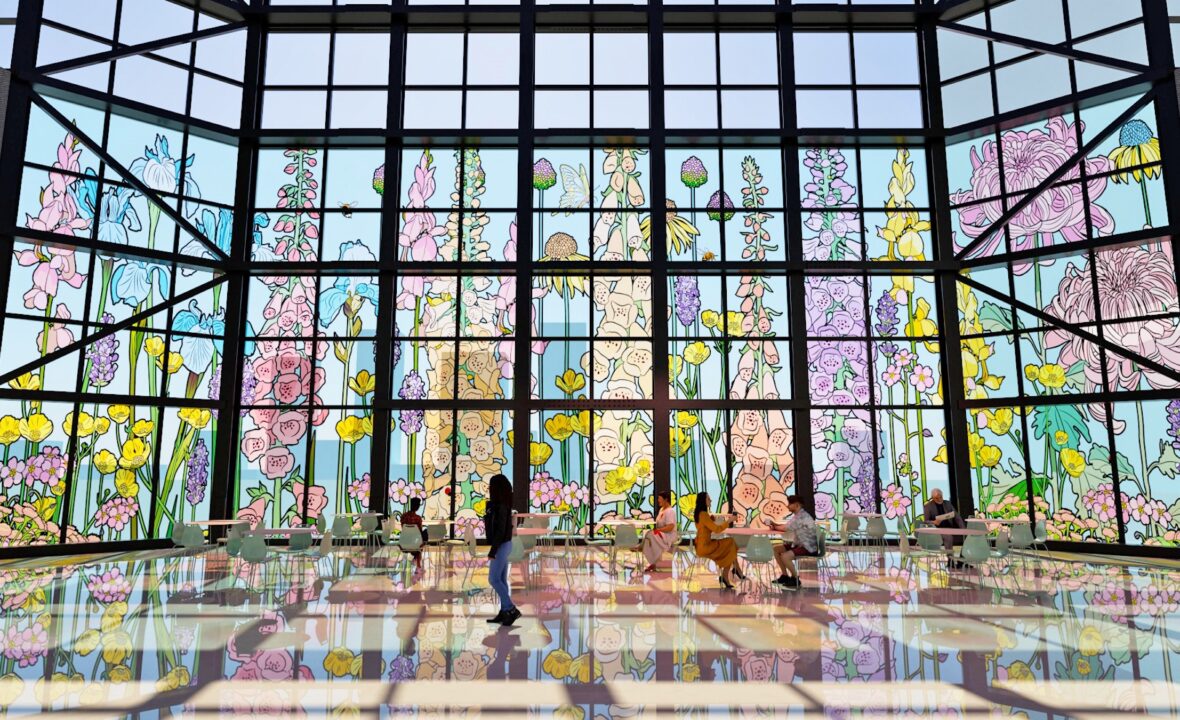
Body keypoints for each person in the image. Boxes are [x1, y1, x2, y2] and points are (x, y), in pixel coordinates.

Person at [484, 474, 521, 626]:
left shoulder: (501, 507)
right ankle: (504, 611)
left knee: (493, 579)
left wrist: (493, 550)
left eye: (491, 486)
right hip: (504, 544)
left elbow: (499, 531)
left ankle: (511, 608)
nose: (488, 488)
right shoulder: (499, 505)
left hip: (501, 545)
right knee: (501, 579)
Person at [764, 495, 817, 590]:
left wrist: (773, 525)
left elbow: (785, 528)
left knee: (785, 556)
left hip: (807, 546)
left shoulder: (801, 517)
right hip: (799, 544)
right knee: (776, 549)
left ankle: (795, 578)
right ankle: (785, 576)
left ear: (796, 505)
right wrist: (774, 524)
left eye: (790, 504)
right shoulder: (799, 515)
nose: (788, 506)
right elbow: (786, 526)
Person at [692, 492, 740, 589]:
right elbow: (717, 530)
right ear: (703, 501)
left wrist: (711, 520)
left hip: (700, 546)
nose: (711, 500)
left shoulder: (699, 514)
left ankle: (734, 571)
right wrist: (729, 521)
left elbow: (704, 527)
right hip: (706, 547)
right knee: (731, 543)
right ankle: (731, 572)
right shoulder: (704, 514)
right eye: (708, 499)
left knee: (731, 544)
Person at [642, 491, 678, 572]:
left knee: (650, 535)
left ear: (666, 499)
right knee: (647, 533)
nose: (658, 500)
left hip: (669, 535)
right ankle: (653, 562)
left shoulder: (670, 511)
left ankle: (652, 561)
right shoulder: (662, 510)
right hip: (662, 533)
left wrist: (658, 530)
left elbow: (670, 527)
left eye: (659, 498)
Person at [923, 488, 966, 555]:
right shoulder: (928, 506)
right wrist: (934, 522)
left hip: (949, 528)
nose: (940, 499)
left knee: (967, 536)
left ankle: (963, 559)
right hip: (937, 530)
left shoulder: (948, 503)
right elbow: (926, 521)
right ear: (933, 498)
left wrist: (963, 528)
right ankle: (950, 560)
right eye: (937, 498)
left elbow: (957, 517)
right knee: (948, 537)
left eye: (941, 497)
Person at [400, 497, 426, 569]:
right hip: (415, 543)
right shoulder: (418, 518)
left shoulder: (403, 516)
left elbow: (403, 529)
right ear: (417, 507)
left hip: (404, 541)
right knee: (424, 534)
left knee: (418, 539)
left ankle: (413, 555)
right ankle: (418, 562)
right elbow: (419, 532)